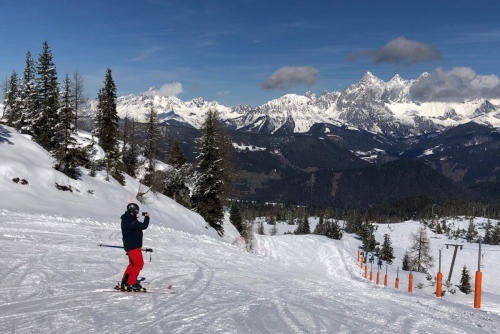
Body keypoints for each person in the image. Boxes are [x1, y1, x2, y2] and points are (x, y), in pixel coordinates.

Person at [115, 203, 150, 292]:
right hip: (133, 246)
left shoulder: (127, 219)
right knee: (139, 264)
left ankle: (125, 282)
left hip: (130, 246)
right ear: (133, 211)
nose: (137, 213)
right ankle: (132, 283)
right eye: (136, 211)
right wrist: (147, 217)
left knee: (132, 265)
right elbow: (144, 226)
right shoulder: (131, 221)